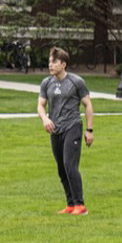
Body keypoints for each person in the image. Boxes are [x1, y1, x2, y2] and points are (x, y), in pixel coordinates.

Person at [37, 46, 94, 216]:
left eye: (54, 62)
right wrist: (45, 119)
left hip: (73, 127)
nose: (50, 65)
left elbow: (88, 105)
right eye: (49, 61)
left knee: (70, 165)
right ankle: (70, 204)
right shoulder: (46, 83)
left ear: (63, 64)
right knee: (61, 168)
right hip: (56, 129)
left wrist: (89, 130)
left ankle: (80, 205)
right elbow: (40, 105)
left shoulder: (76, 82)